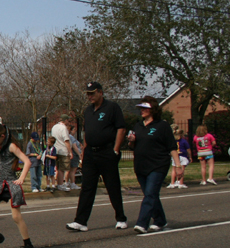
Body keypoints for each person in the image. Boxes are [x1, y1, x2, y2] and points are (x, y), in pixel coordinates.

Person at [67, 82, 128, 232]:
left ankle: (121, 218)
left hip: (107, 152)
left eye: (92, 93)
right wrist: (85, 148)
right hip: (91, 154)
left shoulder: (112, 107)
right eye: (88, 94)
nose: (90, 96)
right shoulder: (88, 111)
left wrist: (115, 149)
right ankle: (81, 221)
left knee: (112, 186)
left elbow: (121, 128)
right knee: (87, 187)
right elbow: (87, 131)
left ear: (100, 92)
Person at [126, 97, 182, 233]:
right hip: (141, 165)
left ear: (153, 109)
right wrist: (131, 141)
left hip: (158, 165)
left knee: (150, 194)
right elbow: (132, 146)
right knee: (151, 195)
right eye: (141, 108)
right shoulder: (138, 126)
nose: (142, 111)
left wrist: (178, 166)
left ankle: (142, 223)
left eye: (145, 108)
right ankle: (160, 220)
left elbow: (172, 147)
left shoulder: (162, 126)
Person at [50, 114, 72, 191]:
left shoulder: (54, 127)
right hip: (63, 150)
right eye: (68, 120)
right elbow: (66, 140)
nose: (69, 122)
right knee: (63, 168)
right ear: (65, 120)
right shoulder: (64, 128)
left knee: (58, 167)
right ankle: (60, 184)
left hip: (56, 149)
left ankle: (59, 184)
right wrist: (70, 152)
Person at [66, 122, 82, 190]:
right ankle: (72, 183)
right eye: (74, 130)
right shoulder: (71, 137)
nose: (75, 131)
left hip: (71, 154)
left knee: (69, 170)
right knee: (72, 170)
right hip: (74, 155)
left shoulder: (70, 137)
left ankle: (68, 182)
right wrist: (79, 154)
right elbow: (74, 146)